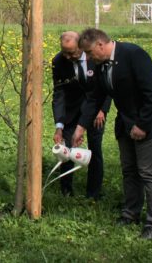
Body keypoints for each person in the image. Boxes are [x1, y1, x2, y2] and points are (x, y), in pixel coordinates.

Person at [73, 28, 152, 240]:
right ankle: (131, 214)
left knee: (149, 172)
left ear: (101, 44)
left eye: (90, 53)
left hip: (150, 121)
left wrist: (143, 125)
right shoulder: (101, 65)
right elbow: (95, 98)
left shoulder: (133, 54)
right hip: (126, 122)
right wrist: (81, 126)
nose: (89, 58)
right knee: (129, 170)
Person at [51, 31, 110, 199]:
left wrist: (102, 110)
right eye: (64, 52)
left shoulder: (95, 56)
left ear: (81, 47)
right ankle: (66, 191)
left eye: (71, 52)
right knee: (67, 149)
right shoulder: (58, 62)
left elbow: (106, 85)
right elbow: (59, 93)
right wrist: (59, 125)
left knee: (94, 149)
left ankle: (93, 194)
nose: (68, 57)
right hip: (72, 111)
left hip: (95, 111)